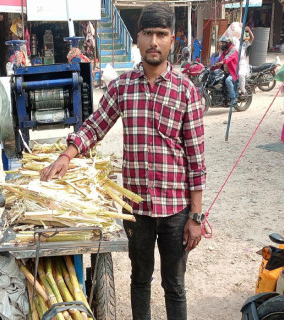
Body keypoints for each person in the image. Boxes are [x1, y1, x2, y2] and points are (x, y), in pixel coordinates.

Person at [40, 3, 206, 319]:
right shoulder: (122, 87)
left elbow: (197, 162)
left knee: (175, 286)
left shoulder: (186, 92)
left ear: (172, 40)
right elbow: (95, 125)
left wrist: (195, 218)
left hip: (175, 209)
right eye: (147, 34)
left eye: (161, 34)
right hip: (136, 210)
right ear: (138, 39)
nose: (154, 42)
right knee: (140, 280)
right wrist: (67, 154)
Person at [213, 35, 239, 106]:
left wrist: (222, 62)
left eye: (224, 43)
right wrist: (212, 66)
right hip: (226, 72)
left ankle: (234, 98)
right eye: (222, 43)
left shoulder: (233, 50)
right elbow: (219, 60)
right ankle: (224, 98)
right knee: (218, 80)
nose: (222, 44)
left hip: (233, 72)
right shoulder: (224, 52)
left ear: (228, 43)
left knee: (228, 80)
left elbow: (228, 58)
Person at [239, 26, 255, 94]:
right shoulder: (233, 43)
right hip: (233, 63)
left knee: (241, 74)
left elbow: (252, 38)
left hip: (242, 64)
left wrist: (249, 30)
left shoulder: (243, 44)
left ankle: (243, 91)